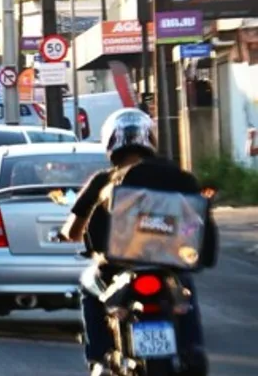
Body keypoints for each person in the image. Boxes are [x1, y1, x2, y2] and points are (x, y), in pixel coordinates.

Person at [59, 108, 216, 375]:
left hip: (117, 269)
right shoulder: (181, 178)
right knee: (185, 292)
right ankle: (193, 350)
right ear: (150, 139)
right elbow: (198, 223)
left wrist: (68, 235)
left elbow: (74, 231)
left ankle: (98, 358)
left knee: (88, 287)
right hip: (169, 267)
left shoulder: (104, 180)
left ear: (110, 142)